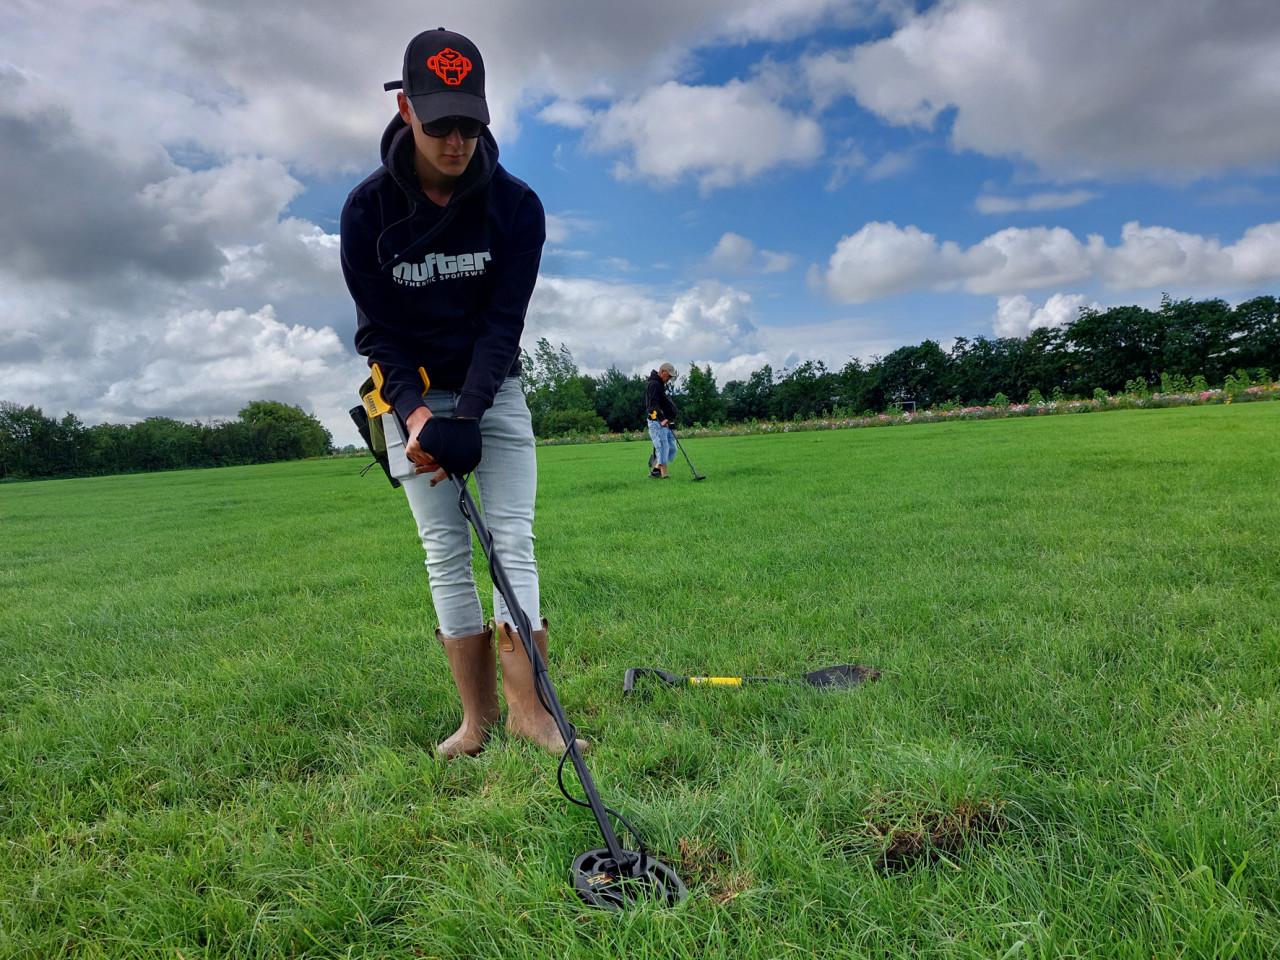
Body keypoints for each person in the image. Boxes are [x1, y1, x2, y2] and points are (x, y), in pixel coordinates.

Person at [340, 27, 584, 758]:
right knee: (444, 552)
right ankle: (475, 723)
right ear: (406, 108)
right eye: (441, 123)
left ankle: (532, 714)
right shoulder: (367, 212)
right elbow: (378, 334)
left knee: (513, 544)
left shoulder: (516, 206)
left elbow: (502, 325)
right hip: (407, 397)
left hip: (493, 393)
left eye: (470, 124)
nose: (456, 141)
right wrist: (418, 416)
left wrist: (470, 414)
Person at [645, 362, 678, 479]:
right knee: (663, 447)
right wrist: (661, 419)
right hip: (657, 422)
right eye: (668, 376)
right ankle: (664, 475)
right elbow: (652, 405)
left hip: (665, 421)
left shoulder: (660, 384)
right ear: (663, 372)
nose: (669, 379)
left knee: (672, 448)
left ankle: (656, 469)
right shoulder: (653, 384)